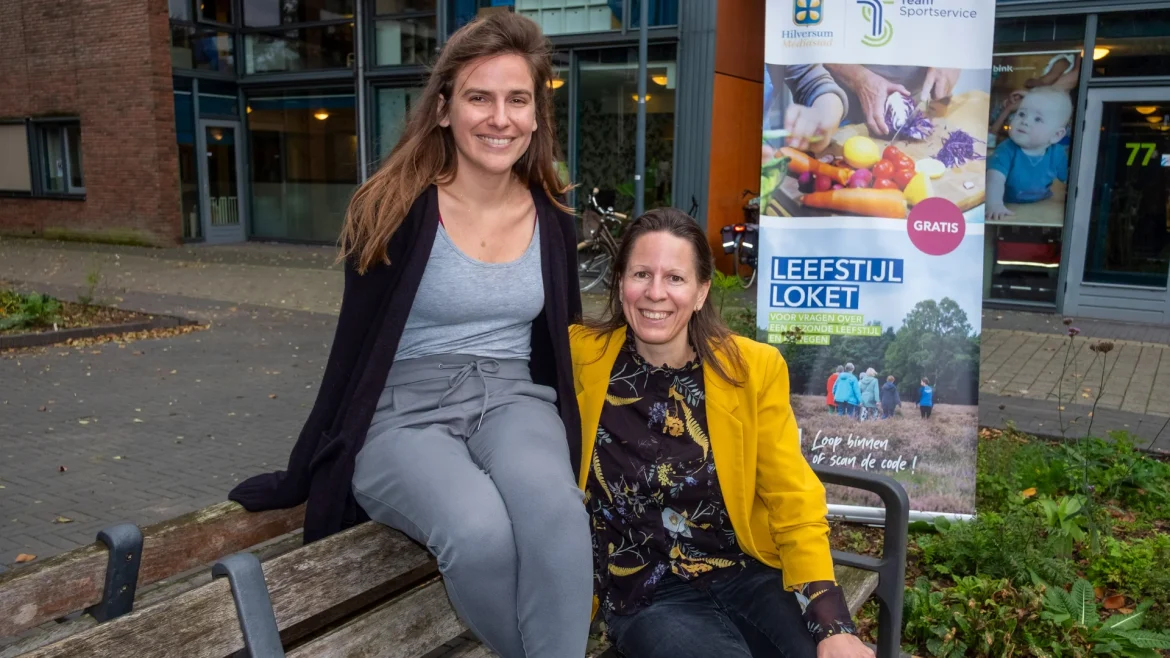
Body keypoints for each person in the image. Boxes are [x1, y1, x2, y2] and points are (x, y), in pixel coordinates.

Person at [227, 13, 592, 658]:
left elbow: (559, 348)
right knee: (478, 532)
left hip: (512, 403)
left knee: (559, 517)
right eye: (479, 97)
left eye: (517, 99)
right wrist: (306, 464)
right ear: (445, 108)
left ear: (538, 117)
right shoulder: (393, 206)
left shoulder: (553, 218)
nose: (499, 118)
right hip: (403, 413)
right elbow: (352, 350)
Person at [570, 208, 873, 658]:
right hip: (645, 591)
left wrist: (833, 624)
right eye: (641, 274)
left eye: (675, 278)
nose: (655, 292)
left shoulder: (752, 369)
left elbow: (791, 493)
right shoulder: (581, 358)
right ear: (620, 283)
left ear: (700, 291)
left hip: (745, 573)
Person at [986, 87, 1074, 221]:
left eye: (1038, 119)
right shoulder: (1006, 150)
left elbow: (1071, 180)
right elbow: (994, 179)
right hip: (1007, 204)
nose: (1025, 121)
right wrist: (995, 204)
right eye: (1021, 114)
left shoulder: (1057, 153)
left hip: (1041, 204)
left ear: (1056, 135)